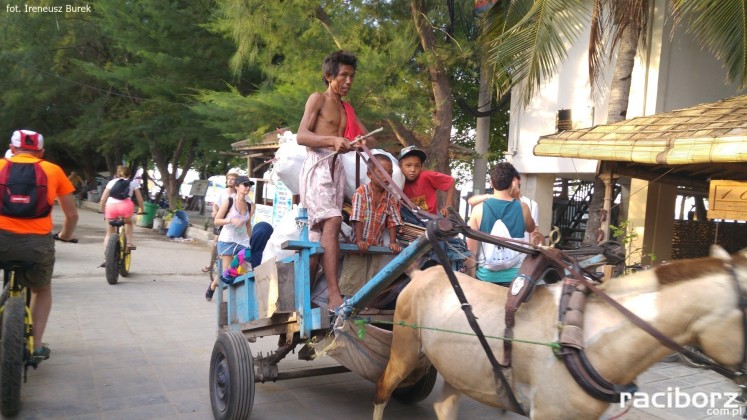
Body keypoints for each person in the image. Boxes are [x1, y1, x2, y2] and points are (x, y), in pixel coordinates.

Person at [296, 50, 376, 310]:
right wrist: (333, 140)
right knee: (333, 220)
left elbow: (370, 141)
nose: (349, 81)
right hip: (317, 164)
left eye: (352, 76)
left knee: (319, 237)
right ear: (329, 76)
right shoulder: (318, 99)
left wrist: (358, 143)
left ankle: (301, 300)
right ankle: (333, 294)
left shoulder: (346, 108)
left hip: (335, 167)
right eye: (344, 75)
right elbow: (302, 136)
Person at [0, 129, 78, 361]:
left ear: (12, 150)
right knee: (41, 289)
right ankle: (36, 346)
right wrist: (64, 236)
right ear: (41, 152)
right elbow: (72, 216)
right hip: (36, 244)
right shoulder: (53, 170)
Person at [466, 162, 537, 286]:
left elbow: (471, 251)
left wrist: (472, 279)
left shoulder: (478, 210)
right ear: (512, 183)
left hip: (485, 278)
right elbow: (531, 228)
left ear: (491, 183)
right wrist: (517, 199)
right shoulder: (523, 207)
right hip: (515, 280)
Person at [206, 175, 254, 301]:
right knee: (228, 271)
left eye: (249, 185)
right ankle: (213, 286)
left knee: (241, 268)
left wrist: (251, 240)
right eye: (245, 185)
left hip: (242, 240)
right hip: (227, 240)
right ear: (237, 187)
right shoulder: (229, 201)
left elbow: (248, 225)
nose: (248, 187)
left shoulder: (250, 205)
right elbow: (217, 221)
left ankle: (234, 293)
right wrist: (231, 220)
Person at [468, 174, 542, 245]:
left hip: (521, 249)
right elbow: (471, 201)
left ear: (520, 181)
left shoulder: (530, 204)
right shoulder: (489, 201)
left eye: (514, 180)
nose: (512, 183)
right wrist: (491, 196)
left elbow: (533, 230)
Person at [351, 154, 403, 254]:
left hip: (376, 248)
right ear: (369, 174)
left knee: (375, 270)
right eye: (381, 172)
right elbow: (357, 217)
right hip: (356, 248)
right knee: (354, 269)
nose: (387, 176)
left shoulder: (390, 197)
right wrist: (359, 240)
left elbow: (393, 222)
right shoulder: (361, 192)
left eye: (390, 172)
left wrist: (393, 242)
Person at [398, 145, 456, 219]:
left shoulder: (426, 176)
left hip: (429, 220)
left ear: (421, 166)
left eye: (417, 166)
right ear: (400, 166)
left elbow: (450, 181)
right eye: (408, 165)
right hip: (408, 220)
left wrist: (448, 205)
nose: (413, 169)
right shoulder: (398, 181)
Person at [100, 165, 145, 254]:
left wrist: (103, 210)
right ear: (130, 174)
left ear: (117, 174)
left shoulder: (111, 182)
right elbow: (140, 199)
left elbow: (103, 199)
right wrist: (142, 210)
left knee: (109, 234)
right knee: (128, 222)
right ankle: (128, 242)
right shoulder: (133, 183)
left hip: (111, 206)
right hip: (126, 207)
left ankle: (107, 256)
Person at [202, 170, 239, 274]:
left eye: (233, 179)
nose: (230, 181)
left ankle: (233, 268)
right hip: (223, 221)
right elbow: (215, 204)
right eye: (229, 179)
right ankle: (211, 264)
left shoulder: (239, 194)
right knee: (216, 242)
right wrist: (214, 211)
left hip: (234, 223)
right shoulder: (223, 193)